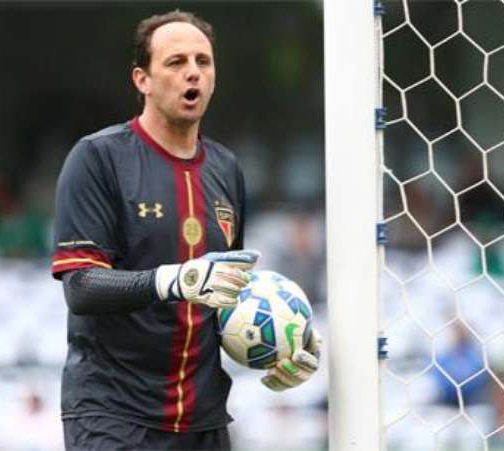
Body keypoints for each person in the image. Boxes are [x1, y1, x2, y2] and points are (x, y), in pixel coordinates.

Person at [51, 10, 321, 450]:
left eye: (203, 61)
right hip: (113, 414)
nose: (192, 72)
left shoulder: (226, 170)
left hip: (203, 421)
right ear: (142, 79)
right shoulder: (97, 159)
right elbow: (81, 287)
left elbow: (226, 293)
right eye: (176, 62)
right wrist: (174, 279)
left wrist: (286, 339)